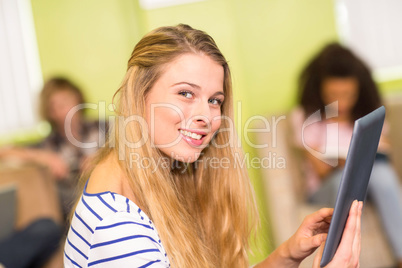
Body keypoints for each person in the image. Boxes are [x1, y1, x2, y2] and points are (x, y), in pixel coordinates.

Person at [64, 24, 362, 267]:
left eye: (214, 101)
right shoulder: (119, 228)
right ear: (140, 95)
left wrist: (287, 254)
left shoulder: (157, 176)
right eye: (185, 93)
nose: (205, 116)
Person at [291, 43, 402, 266]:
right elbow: (322, 171)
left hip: (365, 184)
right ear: (320, 90)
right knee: (341, 180)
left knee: (382, 174)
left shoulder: (367, 116)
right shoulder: (306, 118)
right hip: (327, 188)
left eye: (348, 94)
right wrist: (342, 161)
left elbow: (384, 150)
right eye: (333, 94)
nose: (341, 102)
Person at [0, 77, 106, 221]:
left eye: (65, 102)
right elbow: (5, 151)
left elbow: (135, 146)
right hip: (75, 211)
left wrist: (103, 159)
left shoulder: (104, 128)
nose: (62, 111)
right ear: (49, 113)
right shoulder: (49, 145)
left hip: (109, 197)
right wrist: (40, 156)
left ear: (78, 98)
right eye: (54, 106)